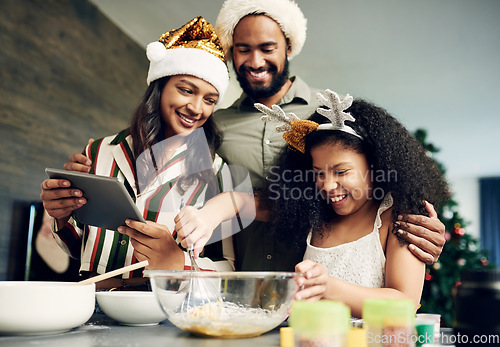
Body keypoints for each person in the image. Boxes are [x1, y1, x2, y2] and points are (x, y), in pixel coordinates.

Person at [65, 0, 446, 271]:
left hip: (313, 280)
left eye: (268, 48)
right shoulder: (213, 125)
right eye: (243, 49)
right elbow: (163, 168)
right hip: (237, 280)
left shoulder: (329, 119)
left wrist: (418, 233)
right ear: (231, 54)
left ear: (288, 48)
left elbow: (375, 185)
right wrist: (86, 178)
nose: (255, 61)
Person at [177, 89, 449, 318]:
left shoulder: (398, 218)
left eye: (341, 172)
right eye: (319, 173)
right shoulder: (314, 208)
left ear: (375, 167)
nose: (328, 186)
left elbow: (404, 304)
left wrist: (327, 286)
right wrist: (205, 217)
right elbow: (238, 202)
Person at [40, 17, 235, 289]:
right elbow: (79, 248)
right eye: (186, 90)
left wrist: (178, 263)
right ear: (160, 86)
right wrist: (59, 214)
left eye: (209, 99)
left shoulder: (215, 171)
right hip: (91, 306)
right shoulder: (98, 151)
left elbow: (227, 267)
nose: (196, 107)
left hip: (161, 313)